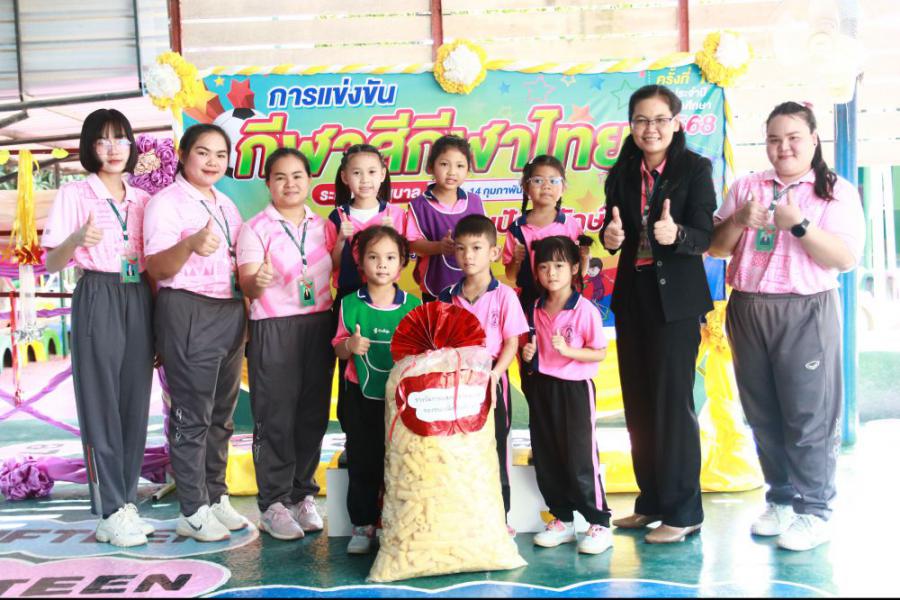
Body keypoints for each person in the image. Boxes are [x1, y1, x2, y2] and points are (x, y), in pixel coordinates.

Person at [709, 101, 865, 552]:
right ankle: (780, 499)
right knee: (762, 413)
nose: (784, 147)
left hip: (805, 309)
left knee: (808, 414)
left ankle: (814, 511)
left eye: (794, 137)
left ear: (813, 140)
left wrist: (799, 225)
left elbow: (845, 259)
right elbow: (716, 248)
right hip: (748, 307)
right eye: (774, 139)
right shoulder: (747, 187)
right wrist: (739, 220)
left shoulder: (835, 191)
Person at [600, 84, 716, 544]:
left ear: (676, 122)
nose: (651, 129)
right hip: (634, 297)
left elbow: (705, 235)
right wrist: (610, 239)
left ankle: (684, 512)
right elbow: (613, 231)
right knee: (639, 403)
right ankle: (651, 502)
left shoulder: (695, 169)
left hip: (677, 303)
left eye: (660, 119)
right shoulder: (622, 173)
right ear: (631, 125)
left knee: (672, 405)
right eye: (641, 120)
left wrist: (677, 234)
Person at [42, 108, 154, 547]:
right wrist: (75, 240)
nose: (113, 149)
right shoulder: (75, 194)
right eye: (103, 140)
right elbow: (52, 262)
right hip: (98, 292)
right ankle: (109, 509)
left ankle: (126, 503)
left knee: (135, 403)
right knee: (100, 401)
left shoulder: (142, 199)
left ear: (131, 145)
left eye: (120, 139)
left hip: (138, 293)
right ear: (90, 147)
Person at [144, 123, 249, 542]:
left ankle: (215, 496)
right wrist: (188, 244)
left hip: (229, 311)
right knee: (192, 415)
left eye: (221, 154)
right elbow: (156, 267)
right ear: (184, 154)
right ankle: (192, 509)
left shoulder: (227, 204)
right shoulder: (166, 203)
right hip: (188, 308)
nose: (212, 162)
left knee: (222, 416)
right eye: (203, 152)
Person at [236, 148, 334, 540]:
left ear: (309, 180)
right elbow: (246, 284)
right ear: (268, 183)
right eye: (280, 177)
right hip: (273, 327)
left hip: (319, 325)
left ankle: (301, 495)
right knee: (275, 416)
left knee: (312, 416)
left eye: (297, 176)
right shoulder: (255, 228)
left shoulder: (324, 226)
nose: (289, 184)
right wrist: (255, 281)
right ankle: (272, 504)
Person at [332, 226, 421, 554]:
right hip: (360, 396)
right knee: (362, 458)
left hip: (401, 400)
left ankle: (396, 523)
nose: (382, 264)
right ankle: (363, 524)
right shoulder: (349, 304)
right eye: (373, 257)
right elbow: (338, 349)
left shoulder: (413, 305)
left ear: (402, 263)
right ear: (360, 262)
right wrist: (350, 346)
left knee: (401, 460)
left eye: (390, 257)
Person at [436, 214, 529, 533]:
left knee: (496, 446)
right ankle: (463, 515)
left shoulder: (504, 295)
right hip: (456, 382)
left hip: (492, 381)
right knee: (458, 447)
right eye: (461, 248)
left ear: (493, 252)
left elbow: (511, 343)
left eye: (476, 248)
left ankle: (500, 517)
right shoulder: (446, 296)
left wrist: (494, 376)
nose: (468, 256)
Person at [520, 236, 612, 555]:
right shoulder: (534, 308)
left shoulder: (584, 310)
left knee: (579, 456)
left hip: (574, 389)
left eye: (559, 266)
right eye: (544, 267)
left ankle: (599, 522)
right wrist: (529, 354)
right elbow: (533, 347)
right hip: (542, 386)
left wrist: (570, 351)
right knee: (547, 455)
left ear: (574, 268)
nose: (551, 273)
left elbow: (599, 352)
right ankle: (562, 519)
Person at [406, 135, 486, 301]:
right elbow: (413, 244)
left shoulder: (475, 202)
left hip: (474, 286)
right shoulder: (419, 206)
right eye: (444, 164)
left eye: (460, 166)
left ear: (467, 171)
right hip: (435, 285)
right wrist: (439, 247)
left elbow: (485, 239)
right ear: (431, 167)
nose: (452, 172)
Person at [326, 144, 406, 305]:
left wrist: (392, 237)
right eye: (357, 173)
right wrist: (341, 240)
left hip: (385, 294)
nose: (364, 180)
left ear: (382, 174)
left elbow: (403, 261)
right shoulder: (337, 217)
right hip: (347, 296)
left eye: (372, 172)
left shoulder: (396, 215)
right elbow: (332, 265)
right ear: (345, 177)